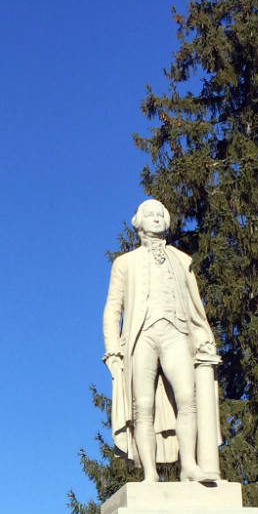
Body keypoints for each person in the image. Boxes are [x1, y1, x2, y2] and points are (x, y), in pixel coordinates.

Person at [102, 198, 221, 482]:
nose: (156, 218)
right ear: (139, 223)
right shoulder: (124, 263)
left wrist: (204, 336)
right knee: (143, 405)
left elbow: (195, 306)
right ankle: (150, 473)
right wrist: (112, 351)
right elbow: (112, 310)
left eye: (160, 214)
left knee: (187, 399)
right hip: (140, 337)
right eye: (149, 214)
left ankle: (189, 465)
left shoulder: (182, 260)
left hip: (176, 332)